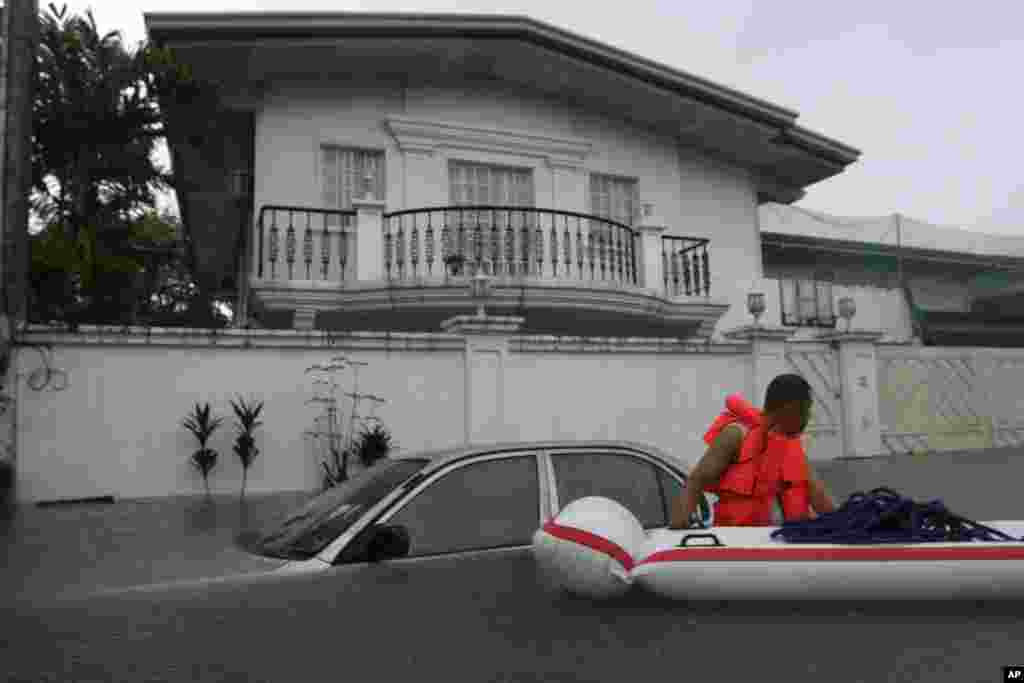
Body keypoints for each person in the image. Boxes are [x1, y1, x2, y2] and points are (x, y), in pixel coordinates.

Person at [670, 373, 836, 529]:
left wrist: (847, 525)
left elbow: (819, 497)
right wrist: (680, 528)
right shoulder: (736, 434)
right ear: (790, 408)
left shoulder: (793, 447)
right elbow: (696, 480)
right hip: (737, 544)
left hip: (785, 545)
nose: (808, 418)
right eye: (805, 410)